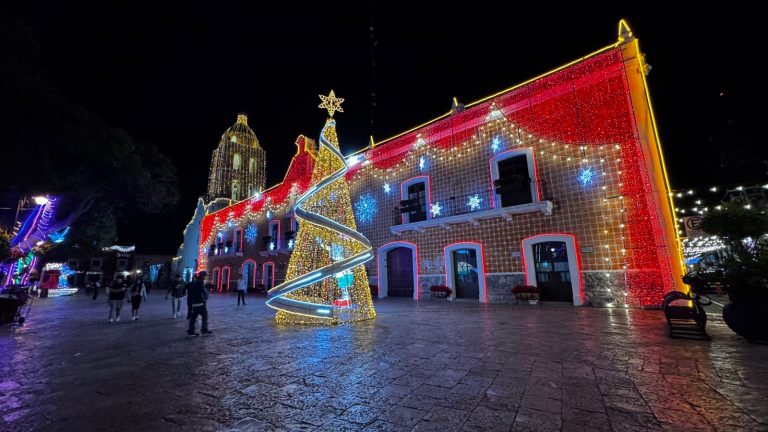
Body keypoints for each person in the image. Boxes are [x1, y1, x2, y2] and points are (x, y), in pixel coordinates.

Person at [186, 271, 212, 336]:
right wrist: (204, 299)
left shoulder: (194, 283)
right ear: (202, 276)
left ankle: (191, 331)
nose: (206, 277)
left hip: (194, 303)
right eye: (205, 276)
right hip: (200, 303)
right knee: (205, 316)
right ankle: (204, 330)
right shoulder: (201, 283)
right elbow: (203, 293)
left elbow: (190, 292)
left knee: (193, 317)